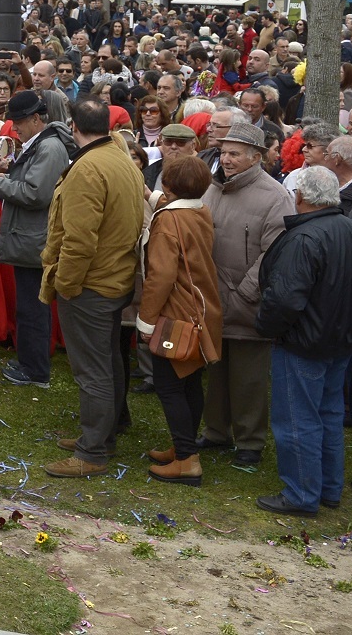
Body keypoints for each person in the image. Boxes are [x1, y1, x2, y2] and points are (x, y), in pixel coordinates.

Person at [254, 166, 352, 518]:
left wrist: (265, 326)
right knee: (328, 415)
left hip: (305, 343)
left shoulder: (305, 237)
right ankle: (327, 488)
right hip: (340, 341)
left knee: (298, 420)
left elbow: (284, 299)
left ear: (300, 196)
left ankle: (301, 493)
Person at [40, 98, 153, 478]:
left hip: (92, 285)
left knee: (93, 370)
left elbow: (79, 241)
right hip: (113, 278)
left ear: (73, 126)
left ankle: (92, 451)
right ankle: (105, 433)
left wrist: (66, 285)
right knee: (108, 362)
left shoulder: (89, 168)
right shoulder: (119, 156)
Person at [205, 119, 296, 472]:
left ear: (256, 157)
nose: (226, 160)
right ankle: (216, 431)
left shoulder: (275, 197)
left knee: (249, 379)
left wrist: (244, 293)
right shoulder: (213, 187)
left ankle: (250, 443)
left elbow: (274, 252)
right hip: (211, 299)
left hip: (246, 304)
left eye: (235, 154)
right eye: (224, 153)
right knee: (216, 372)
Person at [141, 155, 223, 485]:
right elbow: (176, 209)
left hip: (176, 313)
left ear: (168, 185)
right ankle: (183, 447)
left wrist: (146, 321)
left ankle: (187, 459)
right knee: (189, 381)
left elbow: (160, 276)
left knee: (169, 385)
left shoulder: (168, 221)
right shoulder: (200, 211)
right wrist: (152, 197)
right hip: (202, 310)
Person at [0, 88, 69, 389]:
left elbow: (36, 194)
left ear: (36, 119)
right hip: (31, 238)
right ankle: (31, 364)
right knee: (30, 306)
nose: (15, 128)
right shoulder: (44, 144)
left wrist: (0, 183)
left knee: (33, 308)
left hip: (34, 240)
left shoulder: (49, 148)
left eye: (19, 122)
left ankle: (35, 370)